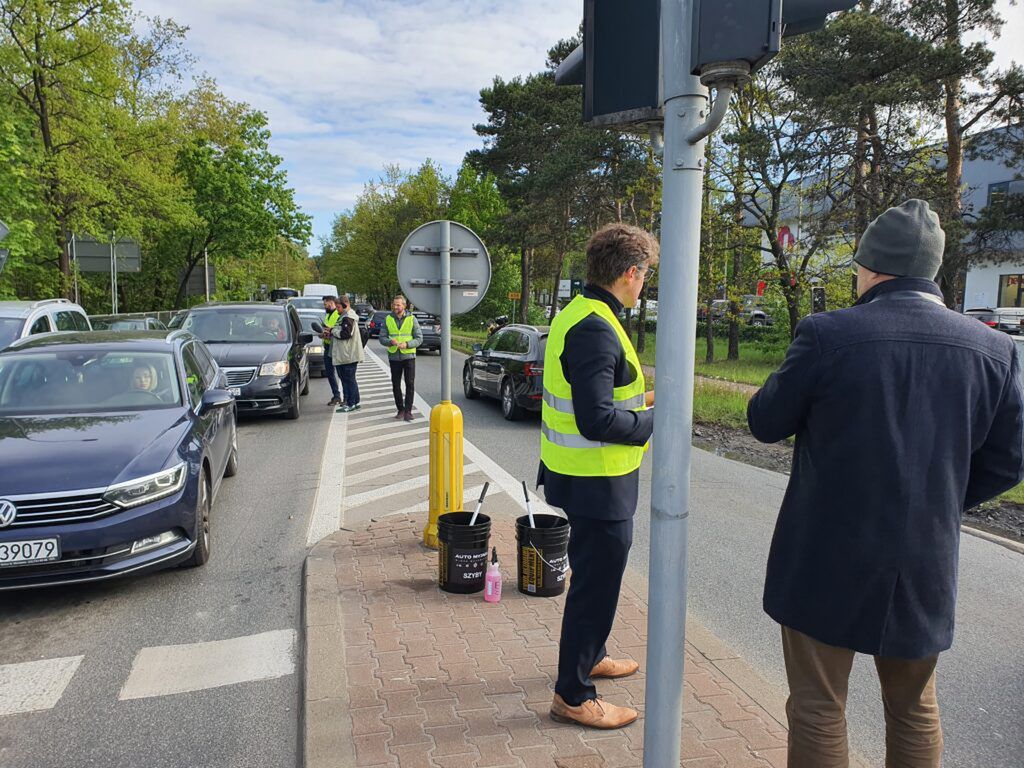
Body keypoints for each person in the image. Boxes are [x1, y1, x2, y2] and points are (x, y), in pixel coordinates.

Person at [747, 199, 1024, 768]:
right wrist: (943, 496)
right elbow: (1011, 458)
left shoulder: (828, 335)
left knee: (820, 706)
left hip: (826, 554)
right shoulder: (996, 350)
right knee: (915, 707)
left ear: (873, 268)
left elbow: (765, 422)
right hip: (924, 560)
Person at [539, 223, 658, 730]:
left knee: (596, 578)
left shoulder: (585, 312)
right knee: (595, 585)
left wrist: (646, 400)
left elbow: (606, 397)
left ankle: (594, 654)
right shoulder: (594, 327)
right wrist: (659, 420)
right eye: (645, 276)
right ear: (630, 272)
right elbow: (597, 420)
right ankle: (573, 693)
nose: (644, 285)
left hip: (584, 475)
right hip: (596, 481)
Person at [379, 294, 422, 421]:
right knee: (395, 384)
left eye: (398, 304)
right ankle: (400, 410)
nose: (395, 306)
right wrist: (389, 341)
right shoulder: (388, 319)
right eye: (394, 304)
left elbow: (419, 338)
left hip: (408, 356)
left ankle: (408, 411)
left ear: (404, 306)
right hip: (394, 356)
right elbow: (382, 338)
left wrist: (407, 344)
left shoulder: (412, 319)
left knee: (410, 383)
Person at [331, 294, 363, 413]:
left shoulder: (348, 317)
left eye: (338, 307)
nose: (337, 309)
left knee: (348, 379)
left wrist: (333, 332)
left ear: (345, 305)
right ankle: (355, 401)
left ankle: (351, 403)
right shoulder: (345, 316)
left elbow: (346, 334)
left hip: (347, 354)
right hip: (346, 354)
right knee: (350, 379)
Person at [321, 296, 343, 406]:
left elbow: (337, 330)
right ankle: (336, 395)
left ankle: (347, 396)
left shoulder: (337, 314)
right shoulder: (328, 314)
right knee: (330, 373)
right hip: (327, 346)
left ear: (331, 303)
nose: (324, 306)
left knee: (341, 373)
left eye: (325, 304)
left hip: (336, 347)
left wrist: (328, 332)